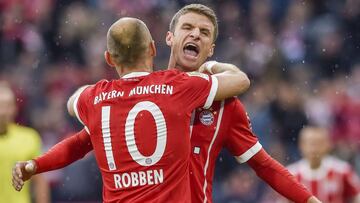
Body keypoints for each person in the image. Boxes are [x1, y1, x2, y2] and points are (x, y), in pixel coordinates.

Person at [13, 4, 321, 203]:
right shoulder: (144, 91)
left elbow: (264, 166)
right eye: (188, 28)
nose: (196, 36)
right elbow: (84, 140)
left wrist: (310, 200)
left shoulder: (227, 107)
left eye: (205, 33)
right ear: (169, 39)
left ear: (211, 48)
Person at [0, 82, 50, 203]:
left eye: (7, 105)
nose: (2, 111)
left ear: (14, 109)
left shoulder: (29, 138)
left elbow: (40, 182)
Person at [282, 126, 360, 203]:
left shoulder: (343, 170)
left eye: (319, 143)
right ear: (301, 145)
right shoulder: (291, 174)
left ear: (328, 144)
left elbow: (357, 196)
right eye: (310, 143)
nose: (314, 148)